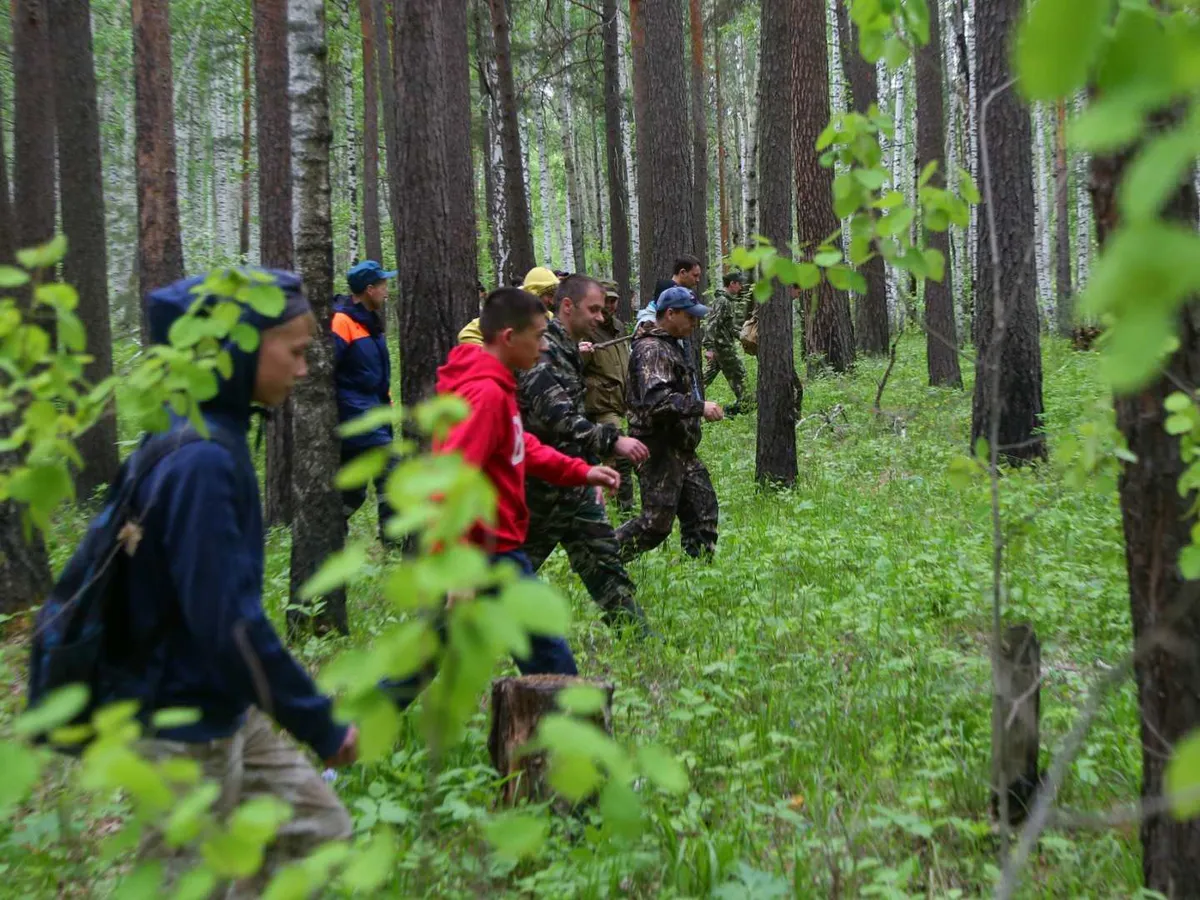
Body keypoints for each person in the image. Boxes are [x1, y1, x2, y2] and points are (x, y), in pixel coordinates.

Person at [132, 271, 356, 894]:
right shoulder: (199, 458)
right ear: (240, 348)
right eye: (296, 351)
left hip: (223, 702)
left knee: (316, 830)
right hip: (179, 717)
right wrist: (318, 722)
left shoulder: (217, 434)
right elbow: (226, 620)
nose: (304, 370)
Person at [383, 288, 621, 706]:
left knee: (429, 654)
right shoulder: (486, 394)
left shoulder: (499, 386)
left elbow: (522, 446)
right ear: (509, 337)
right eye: (539, 336)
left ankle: (351, 729)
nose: (544, 346)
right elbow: (452, 479)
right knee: (550, 657)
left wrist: (580, 470)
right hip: (483, 554)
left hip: (494, 550)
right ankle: (575, 734)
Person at [519, 276, 651, 634]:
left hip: (574, 486)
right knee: (509, 574)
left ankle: (636, 633)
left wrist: (588, 473)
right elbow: (559, 417)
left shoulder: (569, 351)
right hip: (539, 490)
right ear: (567, 306)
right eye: (593, 309)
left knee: (604, 560)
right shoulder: (543, 352)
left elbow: (573, 415)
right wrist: (612, 441)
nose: (599, 317)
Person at [616, 286, 723, 561]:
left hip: (679, 446)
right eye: (689, 316)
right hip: (658, 447)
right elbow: (656, 402)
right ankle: (601, 558)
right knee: (655, 525)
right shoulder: (651, 349)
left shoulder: (670, 344)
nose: (694, 323)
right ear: (671, 313)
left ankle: (699, 569)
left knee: (703, 509)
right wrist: (699, 407)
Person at [332, 260, 397, 543]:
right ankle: (393, 542)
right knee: (392, 467)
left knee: (354, 491)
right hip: (355, 413)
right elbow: (326, 371)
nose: (387, 291)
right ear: (369, 289)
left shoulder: (370, 322)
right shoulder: (342, 321)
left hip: (373, 410)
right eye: (383, 285)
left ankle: (329, 532)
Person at [583, 280, 635, 511]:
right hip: (600, 404)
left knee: (614, 455)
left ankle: (614, 503)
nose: (610, 305)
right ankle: (625, 508)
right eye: (607, 300)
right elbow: (575, 366)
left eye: (614, 301)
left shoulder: (618, 327)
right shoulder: (587, 329)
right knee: (619, 453)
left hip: (619, 400)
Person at [703, 271, 750, 416]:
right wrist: (709, 347)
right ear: (732, 284)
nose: (741, 287)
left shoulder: (728, 301)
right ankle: (743, 407)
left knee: (704, 378)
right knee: (741, 377)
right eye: (739, 284)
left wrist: (744, 336)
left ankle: (689, 396)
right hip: (723, 349)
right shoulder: (722, 301)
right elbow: (712, 323)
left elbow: (729, 327)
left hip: (722, 348)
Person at [636, 256, 702, 327]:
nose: (698, 280)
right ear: (682, 272)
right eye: (695, 275)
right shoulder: (668, 288)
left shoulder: (682, 291)